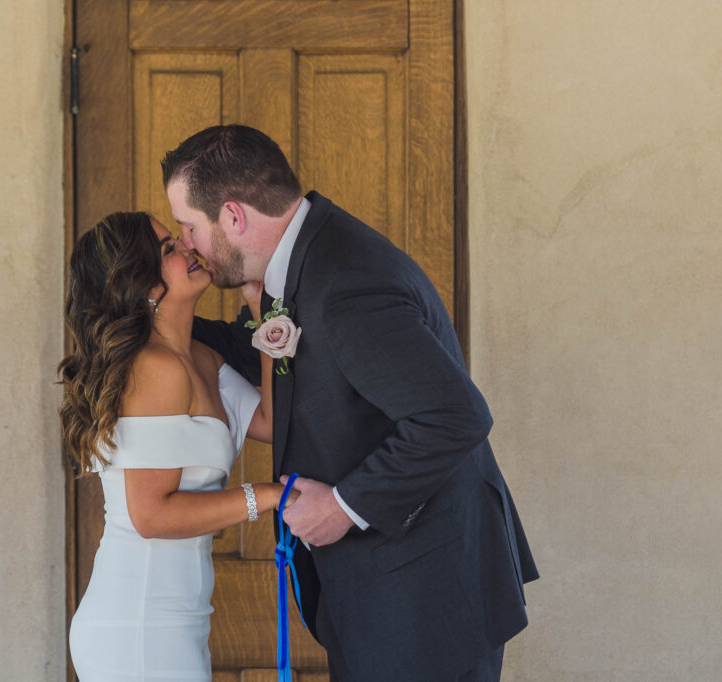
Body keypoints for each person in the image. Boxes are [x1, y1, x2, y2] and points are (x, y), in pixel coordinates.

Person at [164, 125, 539, 681]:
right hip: (384, 589)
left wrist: (343, 507)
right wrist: (155, 328)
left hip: (423, 596)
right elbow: (278, 366)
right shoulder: (300, 265)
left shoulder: (345, 281)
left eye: (190, 227)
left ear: (234, 217)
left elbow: (455, 416)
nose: (187, 243)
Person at [59, 212, 295, 681]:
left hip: (177, 618)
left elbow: (269, 421)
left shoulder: (202, 359)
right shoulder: (154, 369)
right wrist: (265, 497)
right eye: (169, 249)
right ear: (143, 285)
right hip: (139, 622)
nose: (189, 247)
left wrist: (262, 307)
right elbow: (151, 516)